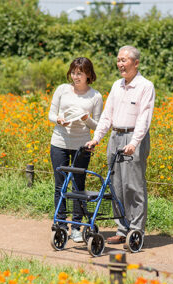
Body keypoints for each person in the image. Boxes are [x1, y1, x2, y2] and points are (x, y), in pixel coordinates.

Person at [85, 45, 155, 246]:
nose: (120, 64)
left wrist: (134, 143)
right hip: (116, 136)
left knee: (133, 186)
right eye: (118, 60)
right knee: (116, 186)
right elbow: (107, 115)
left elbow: (144, 118)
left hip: (134, 137)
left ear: (136, 63)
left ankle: (135, 230)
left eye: (124, 60)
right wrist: (96, 138)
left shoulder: (145, 86)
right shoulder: (117, 85)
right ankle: (122, 229)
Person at [49, 57, 103, 243]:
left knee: (79, 186)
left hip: (82, 145)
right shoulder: (62, 90)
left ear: (89, 74)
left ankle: (77, 227)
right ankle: (61, 225)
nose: (75, 76)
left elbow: (98, 125)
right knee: (60, 185)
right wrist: (59, 120)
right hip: (59, 142)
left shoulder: (95, 96)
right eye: (73, 72)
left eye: (80, 73)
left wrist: (87, 119)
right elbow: (51, 113)